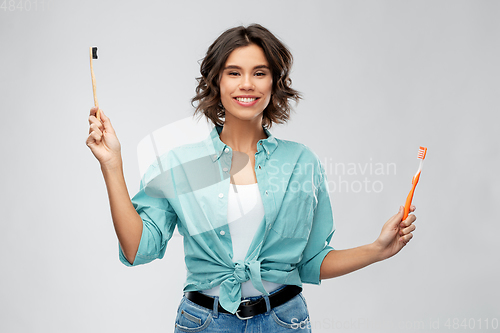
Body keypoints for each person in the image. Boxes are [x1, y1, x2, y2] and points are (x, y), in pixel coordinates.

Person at [86, 24, 416, 332]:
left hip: (285, 320)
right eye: (234, 73)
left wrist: (377, 249)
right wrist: (112, 165)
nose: (247, 84)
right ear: (217, 82)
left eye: (260, 73)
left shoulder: (300, 161)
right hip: (204, 322)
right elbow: (137, 249)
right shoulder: (183, 166)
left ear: (274, 83)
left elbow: (312, 262)